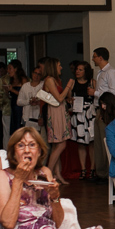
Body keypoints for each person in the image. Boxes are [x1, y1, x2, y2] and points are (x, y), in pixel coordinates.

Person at [40, 57, 74, 185]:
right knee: (61, 144)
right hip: (54, 113)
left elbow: (63, 97)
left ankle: (57, 174)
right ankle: (47, 173)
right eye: (59, 65)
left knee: (56, 145)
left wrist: (68, 94)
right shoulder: (49, 80)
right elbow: (59, 98)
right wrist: (68, 86)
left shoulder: (55, 80)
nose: (61, 67)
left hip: (59, 111)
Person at [89, 48, 115, 180]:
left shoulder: (111, 72)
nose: (93, 59)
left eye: (95, 56)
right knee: (98, 142)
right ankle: (101, 172)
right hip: (98, 109)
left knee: (105, 141)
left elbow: (114, 93)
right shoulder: (100, 73)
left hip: (107, 111)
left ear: (101, 58)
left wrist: (95, 93)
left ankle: (109, 173)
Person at [68, 60, 96, 180]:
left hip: (89, 113)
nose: (77, 72)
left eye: (80, 70)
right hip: (78, 113)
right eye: (77, 69)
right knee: (80, 143)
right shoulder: (72, 83)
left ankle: (93, 169)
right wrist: (70, 101)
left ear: (86, 71)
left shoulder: (92, 82)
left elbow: (97, 98)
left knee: (91, 142)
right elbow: (68, 97)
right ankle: (83, 169)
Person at [17, 62, 45, 133]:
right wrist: (29, 101)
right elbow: (19, 102)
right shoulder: (25, 86)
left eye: (39, 74)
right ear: (32, 73)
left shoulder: (43, 85)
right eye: (35, 73)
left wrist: (38, 102)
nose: (36, 76)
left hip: (38, 118)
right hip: (27, 118)